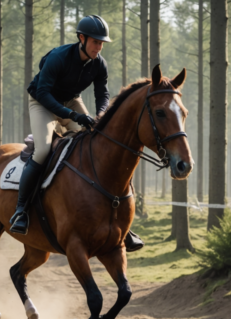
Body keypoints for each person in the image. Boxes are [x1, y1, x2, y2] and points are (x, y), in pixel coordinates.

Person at [9, 15, 144, 252]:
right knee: (42, 151)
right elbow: (43, 93)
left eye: (102, 43)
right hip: (42, 102)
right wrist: (73, 117)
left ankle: (121, 222)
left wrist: (101, 115)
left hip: (71, 101)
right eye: (95, 42)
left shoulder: (99, 63)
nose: (99, 47)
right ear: (81, 38)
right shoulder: (58, 57)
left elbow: (102, 94)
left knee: (99, 144)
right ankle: (20, 211)